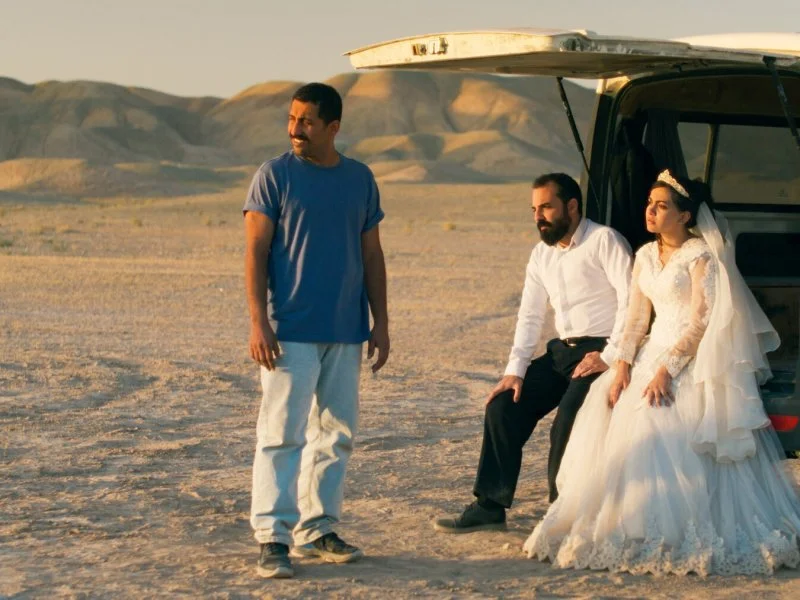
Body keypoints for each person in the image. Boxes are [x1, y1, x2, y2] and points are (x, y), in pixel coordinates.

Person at [524, 170, 800, 575]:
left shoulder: (700, 256)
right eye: (649, 204)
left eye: (661, 206)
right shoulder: (644, 256)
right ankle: (624, 520)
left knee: (662, 418)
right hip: (648, 353)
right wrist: (621, 366)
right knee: (613, 408)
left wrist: (667, 371)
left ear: (684, 216)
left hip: (689, 359)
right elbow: (636, 319)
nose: (650, 211)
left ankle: (675, 528)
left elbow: (700, 323)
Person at [243, 82, 389, 579]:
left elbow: (372, 254)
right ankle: (273, 536)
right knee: (281, 434)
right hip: (290, 328)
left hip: (346, 329)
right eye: (292, 118)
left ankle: (317, 527)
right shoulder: (274, 176)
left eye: (306, 121)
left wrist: (381, 322)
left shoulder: (360, 179)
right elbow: (255, 251)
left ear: (333, 127)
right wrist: (258, 321)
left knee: (335, 434)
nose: (295, 129)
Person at [434, 173, 633, 533]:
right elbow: (530, 315)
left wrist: (610, 354)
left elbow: (631, 301)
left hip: (602, 351)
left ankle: (561, 516)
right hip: (562, 353)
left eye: (546, 208)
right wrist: (515, 371)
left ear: (571, 206)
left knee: (567, 421)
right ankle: (490, 506)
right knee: (503, 406)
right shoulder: (541, 255)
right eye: (533, 209)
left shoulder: (605, 241)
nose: (538, 217)